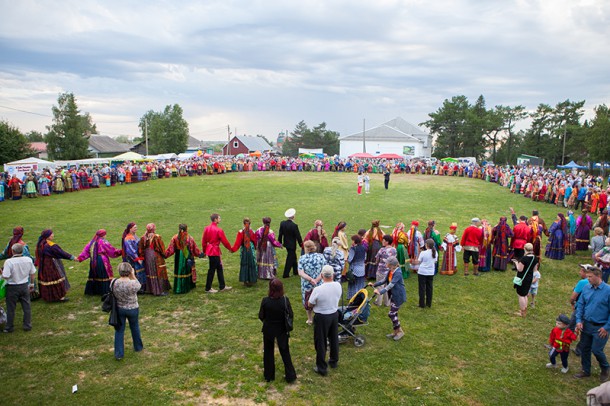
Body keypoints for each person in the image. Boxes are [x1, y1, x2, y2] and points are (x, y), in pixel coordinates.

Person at [574, 265, 610, 382]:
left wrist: (606, 327)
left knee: (597, 350)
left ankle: (605, 368)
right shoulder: (586, 288)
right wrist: (579, 320)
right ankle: (586, 370)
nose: (588, 278)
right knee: (585, 348)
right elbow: (580, 305)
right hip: (586, 324)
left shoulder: (608, 291)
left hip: (600, 327)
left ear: (598, 276)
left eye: (590, 276)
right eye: (587, 276)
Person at [258, 278, 297, 383]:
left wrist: (268, 321)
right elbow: (291, 314)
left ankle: (269, 375)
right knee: (285, 352)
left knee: (268, 351)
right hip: (282, 329)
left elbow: (261, 316)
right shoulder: (285, 300)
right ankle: (290, 375)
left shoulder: (265, 301)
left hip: (269, 329)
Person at [308, 265, 342, 376]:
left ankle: (321, 367)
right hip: (334, 314)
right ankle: (334, 360)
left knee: (321, 342)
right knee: (333, 338)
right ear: (333, 275)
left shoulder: (318, 289)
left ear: (322, 275)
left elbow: (310, 304)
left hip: (322, 316)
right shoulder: (338, 285)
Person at [2, 243, 36, 332]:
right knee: (26, 306)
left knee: (11, 308)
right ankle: (27, 325)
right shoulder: (28, 260)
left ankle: (9, 327)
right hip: (24, 285)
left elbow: (6, 276)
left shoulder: (9, 262)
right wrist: (32, 284)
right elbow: (32, 274)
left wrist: (1, 273)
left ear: (12, 251)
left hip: (12, 287)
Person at [112, 262, 144, 361]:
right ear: (130, 271)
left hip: (120, 308)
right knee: (135, 327)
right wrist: (133, 275)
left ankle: (119, 353)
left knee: (119, 330)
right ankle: (138, 347)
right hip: (133, 308)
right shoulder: (133, 283)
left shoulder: (114, 282)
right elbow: (139, 286)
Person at [370, 257, 406, 340]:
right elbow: (384, 280)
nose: (385, 264)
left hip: (399, 296)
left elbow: (391, 285)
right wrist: (374, 284)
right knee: (394, 314)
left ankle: (400, 332)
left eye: (387, 263)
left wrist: (380, 292)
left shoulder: (398, 272)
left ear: (392, 265)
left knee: (392, 314)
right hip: (393, 295)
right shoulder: (390, 271)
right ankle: (396, 332)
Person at [77, 229, 122, 295]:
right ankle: (104, 291)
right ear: (103, 235)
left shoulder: (92, 242)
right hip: (102, 260)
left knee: (95, 274)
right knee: (104, 274)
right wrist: (121, 251)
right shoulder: (103, 242)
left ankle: (94, 290)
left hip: (93, 260)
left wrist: (80, 258)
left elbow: (86, 251)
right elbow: (111, 250)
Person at [35, 229, 75, 302]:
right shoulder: (50, 245)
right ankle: (59, 297)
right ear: (48, 236)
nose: (53, 235)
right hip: (51, 263)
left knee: (46, 279)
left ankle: (47, 296)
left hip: (43, 264)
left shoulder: (40, 243)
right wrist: (72, 257)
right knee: (55, 278)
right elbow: (61, 253)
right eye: (51, 234)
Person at [201, 213, 234, 293]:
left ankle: (222, 286)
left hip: (210, 250)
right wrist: (230, 248)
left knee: (219, 268)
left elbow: (204, 241)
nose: (220, 219)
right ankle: (208, 288)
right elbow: (225, 241)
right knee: (212, 269)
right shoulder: (219, 230)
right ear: (215, 219)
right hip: (215, 251)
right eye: (219, 218)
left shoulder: (206, 228)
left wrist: (205, 251)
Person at [165, 224, 201, 294]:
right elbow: (194, 248)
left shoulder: (175, 237)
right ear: (186, 229)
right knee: (187, 270)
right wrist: (200, 254)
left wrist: (165, 254)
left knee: (179, 270)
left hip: (178, 256)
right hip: (187, 255)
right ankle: (188, 286)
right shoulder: (189, 238)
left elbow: (171, 249)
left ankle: (178, 287)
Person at [138, 223, 171, 296]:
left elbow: (140, 249)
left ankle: (150, 289)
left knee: (149, 271)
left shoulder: (143, 237)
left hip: (147, 257)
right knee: (157, 271)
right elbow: (160, 248)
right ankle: (159, 290)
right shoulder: (156, 237)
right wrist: (164, 254)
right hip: (155, 256)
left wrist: (142, 256)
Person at [298, 240, 326, 325]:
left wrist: (310, 279)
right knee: (319, 300)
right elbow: (324, 270)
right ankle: (320, 317)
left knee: (307, 300)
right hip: (319, 283)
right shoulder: (321, 257)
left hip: (306, 284)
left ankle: (310, 319)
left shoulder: (302, 258)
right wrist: (316, 280)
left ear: (306, 248)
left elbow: (301, 272)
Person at [512, 243, 539, 318]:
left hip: (522, 279)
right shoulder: (535, 258)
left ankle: (522, 312)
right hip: (529, 278)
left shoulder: (524, 259)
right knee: (525, 294)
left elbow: (520, 269)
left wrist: (516, 263)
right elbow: (535, 270)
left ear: (525, 249)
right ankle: (524, 310)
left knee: (520, 295)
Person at [231, 218, 258, 286]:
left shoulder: (241, 232)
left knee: (244, 263)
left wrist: (233, 249)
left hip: (244, 249)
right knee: (251, 263)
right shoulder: (252, 231)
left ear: (243, 223)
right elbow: (255, 241)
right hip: (250, 249)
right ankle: (252, 279)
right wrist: (255, 247)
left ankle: (245, 279)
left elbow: (238, 243)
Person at [412, 239, 438, 308]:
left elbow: (418, 262)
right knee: (429, 288)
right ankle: (429, 303)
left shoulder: (423, 253)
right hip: (430, 272)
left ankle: (422, 304)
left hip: (422, 272)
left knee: (422, 288)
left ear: (427, 245)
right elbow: (435, 261)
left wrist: (413, 262)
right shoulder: (435, 252)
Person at [121, 222, 146, 293]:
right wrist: (137, 258)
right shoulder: (128, 238)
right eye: (135, 227)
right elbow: (130, 250)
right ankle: (136, 288)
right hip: (133, 258)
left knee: (140, 272)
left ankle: (141, 287)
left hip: (137, 257)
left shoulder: (134, 236)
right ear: (130, 229)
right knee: (134, 272)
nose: (136, 228)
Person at [278, 208, 303, 278]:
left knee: (293, 257)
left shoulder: (282, 223)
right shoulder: (294, 226)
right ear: (293, 216)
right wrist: (301, 244)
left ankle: (295, 271)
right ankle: (286, 274)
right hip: (292, 245)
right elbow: (298, 236)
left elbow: (280, 233)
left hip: (286, 243)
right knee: (290, 258)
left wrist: (279, 242)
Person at [374, 235, 396, 306]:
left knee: (380, 286)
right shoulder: (394, 250)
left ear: (387, 242)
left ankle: (378, 302)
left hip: (381, 271)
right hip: (390, 271)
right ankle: (387, 302)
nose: (382, 241)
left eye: (383, 240)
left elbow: (377, 259)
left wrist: (377, 262)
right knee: (388, 287)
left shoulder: (382, 250)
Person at [346, 235, 367, 299]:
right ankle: (360, 297)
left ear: (355, 241)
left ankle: (353, 298)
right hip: (362, 269)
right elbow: (365, 258)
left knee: (353, 285)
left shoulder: (353, 249)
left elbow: (350, 260)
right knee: (360, 284)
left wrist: (347, 258)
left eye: (352, 240)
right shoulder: (364, 248)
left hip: (354, 270)